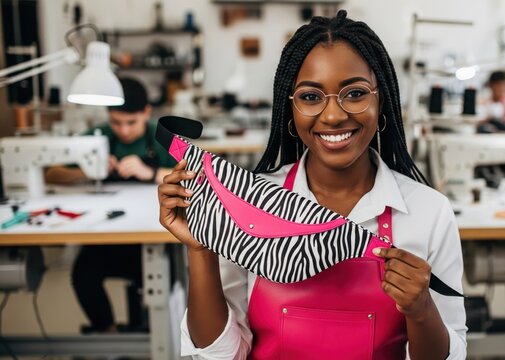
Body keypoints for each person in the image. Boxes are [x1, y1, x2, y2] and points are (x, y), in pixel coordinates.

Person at [158, 10, 467, 359]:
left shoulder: (428, 213)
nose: (333, 116)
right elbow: (218, 354)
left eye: (354, 93)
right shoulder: (248, 205)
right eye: (310, 97)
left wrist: (423, 310)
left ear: (382, 102)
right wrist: (201, 249)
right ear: (289, 109)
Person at [45, 77, 177, 333]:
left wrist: (149, 173)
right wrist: (85, 171)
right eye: (116, 122)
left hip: (149, 236)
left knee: (162, 275)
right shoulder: (97, 137)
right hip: (106, 234)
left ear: (147, 112)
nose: (124, 131)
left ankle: (157, 336)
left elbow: (194, 177)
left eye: (131, 122)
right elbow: (52, 174)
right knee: (83, 275)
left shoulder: (160, 138)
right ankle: (108, 332)